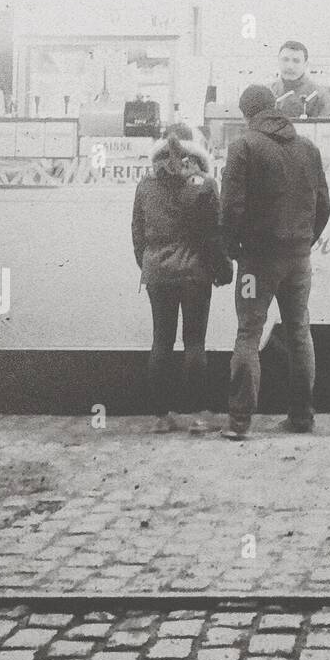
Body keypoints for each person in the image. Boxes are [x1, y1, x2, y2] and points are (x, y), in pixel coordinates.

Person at [220, 85, 330, 439]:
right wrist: (304, 241)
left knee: (248, 333)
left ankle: (239, 423)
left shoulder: (244, 146)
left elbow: (231, 207)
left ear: (246, 114)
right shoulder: (308, 148)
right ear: (275, 108)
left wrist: (233, 248)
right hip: (298, 260)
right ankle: (302, 417)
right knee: (299, 331)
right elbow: (324, 205)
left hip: (256, 262)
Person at [131, 124, 232, 433]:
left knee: (161, 341)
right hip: (194, 273)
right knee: (194, 342)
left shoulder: (146, 185)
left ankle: (162, 417)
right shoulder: (204, 184)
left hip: (157, 272)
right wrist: (222, 269)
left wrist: (149, 265)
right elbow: (214, 235)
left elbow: (137, 235)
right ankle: (200, 415)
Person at [270, 40, 330, 118]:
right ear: (278, 61)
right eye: (285, 60)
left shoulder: (319, 95)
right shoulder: (268, 92)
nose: (290, 66)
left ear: (306, 65)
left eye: (296, 61)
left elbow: (325, 128)